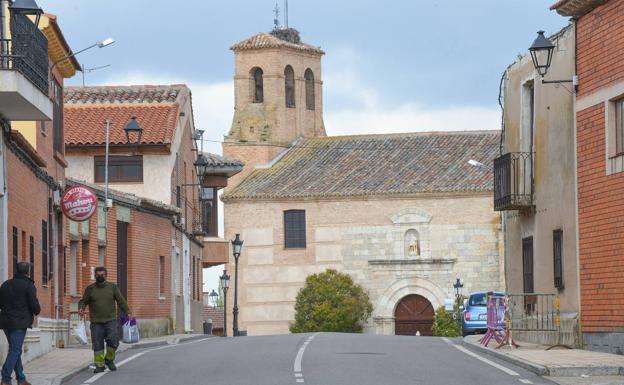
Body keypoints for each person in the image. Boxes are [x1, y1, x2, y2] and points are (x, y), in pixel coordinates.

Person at [79, 267, 131, 373]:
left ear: (106, 275)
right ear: (95, 276)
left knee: (113, 341)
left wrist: (127, 311)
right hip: (96, 322)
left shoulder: (113, 287)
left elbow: (120, 300)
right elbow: (84, 301)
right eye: (98, 275)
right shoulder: (90, 289)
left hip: (110, 320)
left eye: (102, 275)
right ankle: (99, 365)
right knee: (97, 344)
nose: (100, 277)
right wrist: (81, 308)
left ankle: (109, 360)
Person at [0, 262, 41, 385]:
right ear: (28, 271)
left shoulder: (5, 284)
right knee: (16, 350)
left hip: (6, 322)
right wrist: (36, 310)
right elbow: (34, 305)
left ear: (16, 270)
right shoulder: (29, 285)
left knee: (14, 350)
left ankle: (21, 379)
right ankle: (6, 378)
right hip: (20, 322)